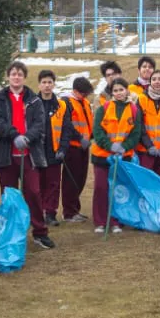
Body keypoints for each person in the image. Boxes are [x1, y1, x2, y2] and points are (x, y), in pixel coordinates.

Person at [0, 61, 55, 249]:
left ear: (24, 77)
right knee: (9, 195)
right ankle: (10, 232)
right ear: (8, 76)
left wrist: (26, 137)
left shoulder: (34, 99)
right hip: (7, 155)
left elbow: (39, 124)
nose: (16, 77)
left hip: (29, 154)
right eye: (13, 74)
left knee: (34, 193)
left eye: (20, 74)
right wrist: (14, 135)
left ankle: (40, 232)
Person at [89, 78, 143, 233]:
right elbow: (98, 132)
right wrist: (110, 146)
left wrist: (124, 147)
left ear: (127, 90)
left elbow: (135, 133)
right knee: (101, 187)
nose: (119, 93)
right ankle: (100, 221)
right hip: (102, 156)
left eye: (121, 89)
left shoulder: (134, 110)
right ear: (111, 93)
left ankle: (116, 221)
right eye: (115, 90)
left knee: (118, 189)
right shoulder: (103, 109)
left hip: (122, 157)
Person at [36, 70, 70, 226]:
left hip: (55, 151)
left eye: (49, 82)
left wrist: (63, 148)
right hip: (37, 151)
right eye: (44, 82)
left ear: (54, 84)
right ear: (39, 84)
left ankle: (50, 212)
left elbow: (66, 128)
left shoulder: (61, 105)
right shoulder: (32, 103)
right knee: (37, 184)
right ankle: (37, 212)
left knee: (54, 183)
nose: (47, 85)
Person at [60, 76, 94, 223]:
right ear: (75, 91)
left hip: (84, 146)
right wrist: (80, 138)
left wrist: (90, 137)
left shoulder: (85, 102)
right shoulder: (66, 103)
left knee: (81, 178)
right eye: (83, 93)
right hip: (72, 147)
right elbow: (67, 124)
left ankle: (75, 209)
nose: (86, 96)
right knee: (70, 180)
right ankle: (68, 212)